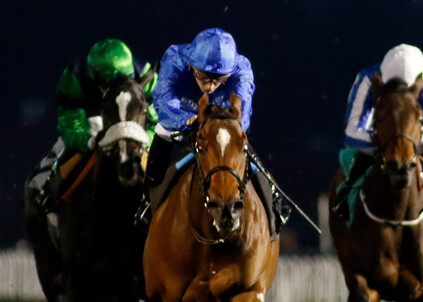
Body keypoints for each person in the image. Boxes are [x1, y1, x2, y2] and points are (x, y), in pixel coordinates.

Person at [136, 28, 256, 223]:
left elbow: (243, 114)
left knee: (239, 141)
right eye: (203, 77)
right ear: (191, 65)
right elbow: (163, 102)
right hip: (184, 119)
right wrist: (189, 121)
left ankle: (273, 201)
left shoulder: (242, 68)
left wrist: (220, 125)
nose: (209, 86)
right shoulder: (174, 58)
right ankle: (147, 199)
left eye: (219, 80)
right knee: (162, 131)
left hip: (220, 122)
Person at [332, 43, 423, 218]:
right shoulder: (368, 79)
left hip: (418, 140)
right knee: (351, 158)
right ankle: (346, 193)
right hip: (381, 140)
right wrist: (385, 140)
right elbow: (351, 133)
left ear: (418, 87)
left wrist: (414, 140)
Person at [29, 39, 158, 209]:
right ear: (96, 76)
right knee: (61, 152)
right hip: (90, 122)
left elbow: (158, 119)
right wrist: (89, 141)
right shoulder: (74, 78)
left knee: (156, 160)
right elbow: (69, 128)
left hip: (133, 122)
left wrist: (144, 140)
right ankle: (45, 191)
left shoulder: (147, 77)